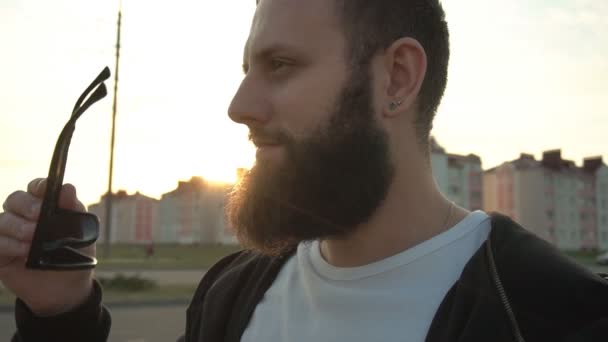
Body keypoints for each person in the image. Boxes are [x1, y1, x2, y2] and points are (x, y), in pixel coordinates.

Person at [1, 0, 607, 341]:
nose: (240, 106)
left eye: (281, 64)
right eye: (248, 69)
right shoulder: (231, 292)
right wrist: (62, 316)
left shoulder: (553, 315)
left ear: (396, 78)